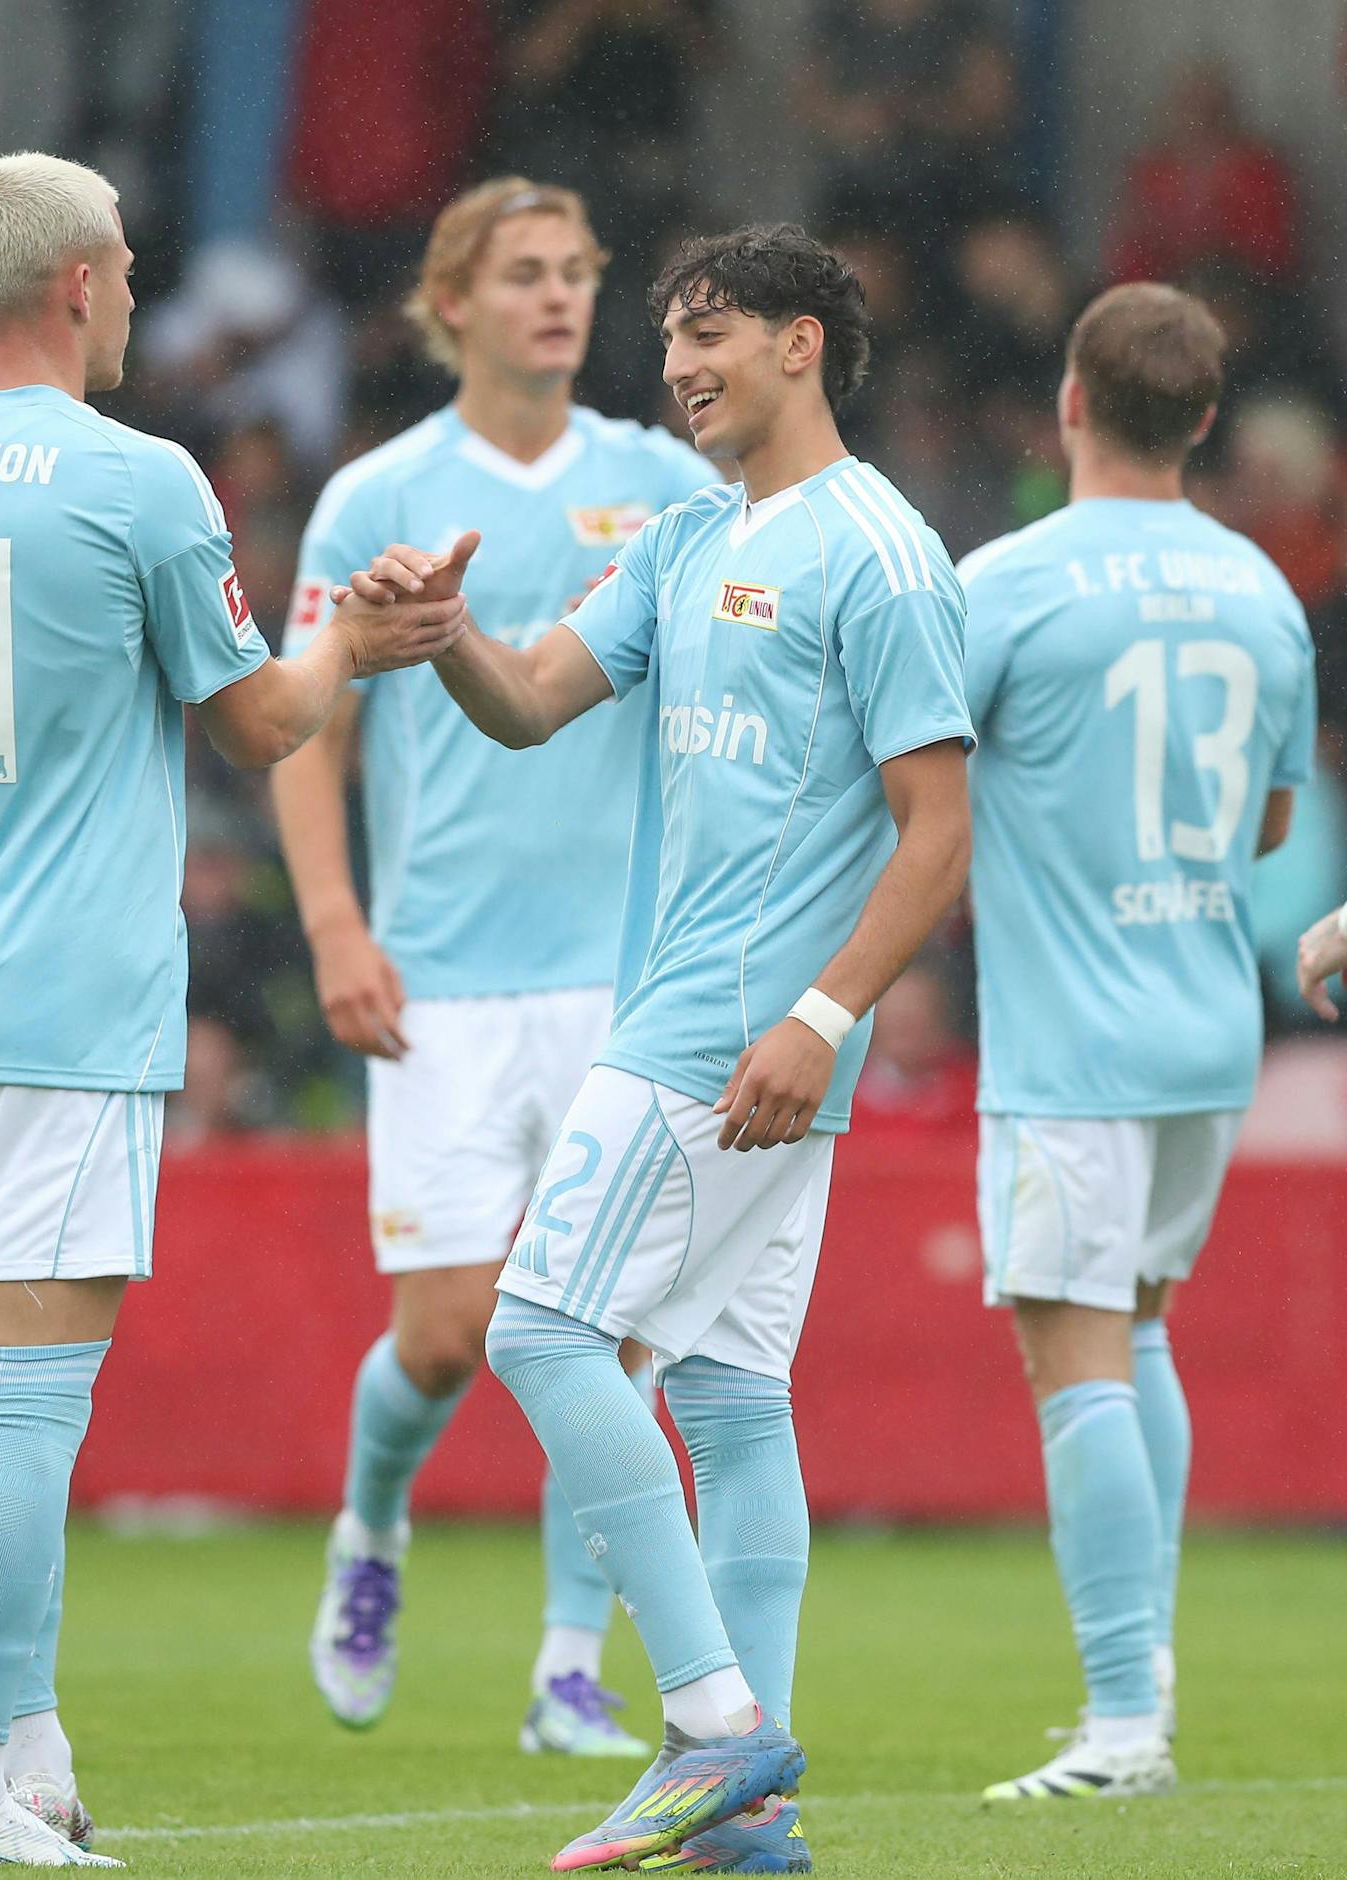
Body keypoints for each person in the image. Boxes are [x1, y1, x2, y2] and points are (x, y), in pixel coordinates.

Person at [0, 151, 465, 1868]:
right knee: (27, 1398)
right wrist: (349, 650)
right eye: (135, 270)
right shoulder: (141, 477)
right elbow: (255, 727)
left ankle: (24, 1745)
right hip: (61, 990)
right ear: (81, 280)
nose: (142, 295)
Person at [346, 222, 972, 1873]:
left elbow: (937, 830)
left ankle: (707, 1724)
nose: (680, 362)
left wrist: (821, 1022)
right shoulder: (691, 534)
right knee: (733, 1399)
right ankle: (751, 1822)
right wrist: (442, 633)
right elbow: (536, 695)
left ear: (804, 347)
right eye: (671, 336)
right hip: (719, 1029)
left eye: (713, 332)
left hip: (729, 1035)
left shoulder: (881, 551)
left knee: (542, 1335)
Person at [271, 176, 712, 1757]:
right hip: (443, 973)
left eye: (579, 273)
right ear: (450, 300)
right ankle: (372, 1525)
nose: (557, 298)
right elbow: (302, 726)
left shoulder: (666, 481)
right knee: (453, 1333)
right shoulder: (374, 495)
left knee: (603, 1342)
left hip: (624, 978)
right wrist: (335, 923)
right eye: (524, 273)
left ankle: (567, 1671)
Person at [959, 283, 1314, 1801]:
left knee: (1075, 1350)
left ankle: (1120, 1728)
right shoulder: (1263, 589)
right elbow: (1277, 819)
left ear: (1071, 404)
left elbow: (911, 788)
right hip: (1206, 1020)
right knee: (1143, 1323)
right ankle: (1143, 1684)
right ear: (1209, 421)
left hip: (1073, 1038)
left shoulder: (1011, 582)